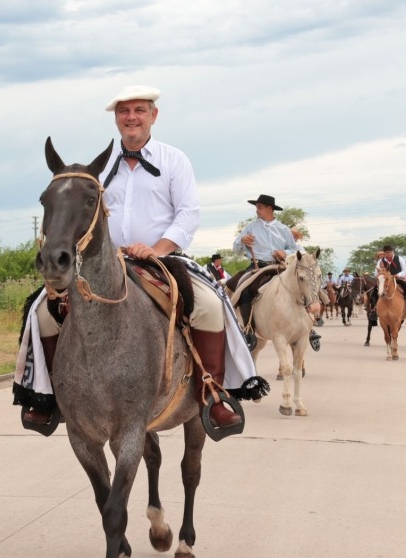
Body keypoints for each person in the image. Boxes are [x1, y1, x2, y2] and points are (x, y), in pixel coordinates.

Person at [15, 85, 267, 439]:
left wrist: (160, 247)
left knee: (210, 305)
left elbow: (188, 212)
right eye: (124, 112)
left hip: (161, 259)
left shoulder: (174, 160)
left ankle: (213, 393)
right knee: (41, 312)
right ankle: (51, 396)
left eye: (139, 111)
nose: (131, 117)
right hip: (104, 263)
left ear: (153, 116)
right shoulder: (96, 170)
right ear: (116, 119)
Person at [227, 194, 297, 334]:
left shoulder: (283, 229)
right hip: (257, 267)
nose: (256, 211)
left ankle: (309, 325)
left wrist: (284, 253)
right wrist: (242, 241)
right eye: (256, 207)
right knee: (244, 290)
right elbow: (236, 249)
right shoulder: (250, 227)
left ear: (269, 208)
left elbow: (294, 249)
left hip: (281, 267)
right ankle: (248, 328)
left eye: (259, 207)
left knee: (303, 285)